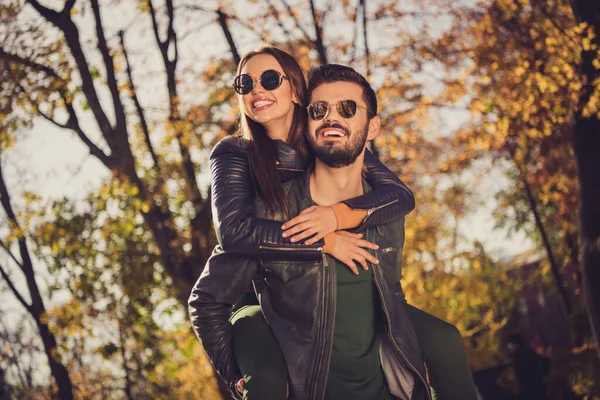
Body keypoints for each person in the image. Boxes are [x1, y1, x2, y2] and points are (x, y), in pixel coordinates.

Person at [190, 54, 478, 399]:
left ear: (295, 90)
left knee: (443, 339)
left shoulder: (327, 140)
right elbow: (235, 233)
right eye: (244, 83)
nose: (256, 90)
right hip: (256, 293)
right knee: (265, 378)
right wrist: (325, 242)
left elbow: (398, 195)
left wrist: (339, 215)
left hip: (317, 288)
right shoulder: (236, 152)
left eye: (269, 79)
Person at [507, 333, 551, 400]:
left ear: (515, 344)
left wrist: (542, 374)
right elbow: (546, 361)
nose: (508, 346)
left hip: (531, 391)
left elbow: (546, 362)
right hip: (534, 389)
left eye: (510, 344)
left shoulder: (523, 355)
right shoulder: (525, 354)